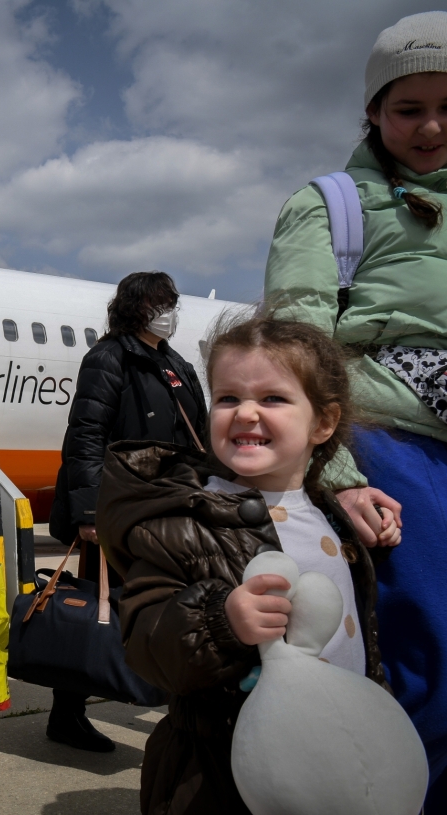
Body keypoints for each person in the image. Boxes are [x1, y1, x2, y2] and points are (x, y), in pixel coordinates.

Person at [97, 313, 395, 813]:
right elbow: (147, 646)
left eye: (273, 398)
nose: (246, 413)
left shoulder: (332, 516)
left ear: (323, 422)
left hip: (333, 761)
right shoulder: (185, 520)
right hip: (221, 773)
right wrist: (221, 622)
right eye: (228, 398)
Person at [263, 12, 447, 807]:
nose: (431, 126)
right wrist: (334, 472)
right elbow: (301, 352)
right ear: (373, 113)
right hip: (391, 443)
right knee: (428, 654)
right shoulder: (330, 205)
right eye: (408, 108)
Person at [45, 271, 204, 752]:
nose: (169, 311)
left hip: (169, 507)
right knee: (97, 608)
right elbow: (85, 437)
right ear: (135, 306)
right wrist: (89, 512)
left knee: (172, 608)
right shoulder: (109, 358)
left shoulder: (174, 363)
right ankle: (66, 714)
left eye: (172, 302)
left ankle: (177, 709)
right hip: (120, 510)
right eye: (160, 302)